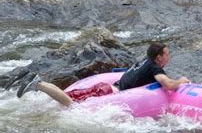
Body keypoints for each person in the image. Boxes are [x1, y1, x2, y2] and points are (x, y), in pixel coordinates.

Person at [16, 42, 190, 107]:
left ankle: (31, 80)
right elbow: (167, 84)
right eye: (167, 54)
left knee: (68, 97)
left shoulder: (142, 62)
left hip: (105, 87)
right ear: (159, 57)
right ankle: (37, 84)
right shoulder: (155, 68)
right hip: (107, 92)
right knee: (70, 104)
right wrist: (181, 80)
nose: (169, 56)